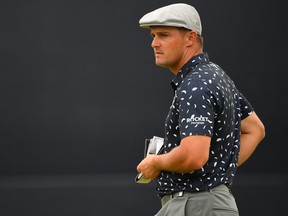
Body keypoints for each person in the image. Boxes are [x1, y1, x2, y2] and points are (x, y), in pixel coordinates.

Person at [136, 3, 265, 216]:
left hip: (196, 205)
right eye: (153, 36)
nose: (154, 43)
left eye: (164, 35)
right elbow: (255, 129)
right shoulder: (215, 75)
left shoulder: (196, 84)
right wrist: (216, 171)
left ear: (190, 38)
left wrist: (155, 162)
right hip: (207, 203)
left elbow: (192, 156)